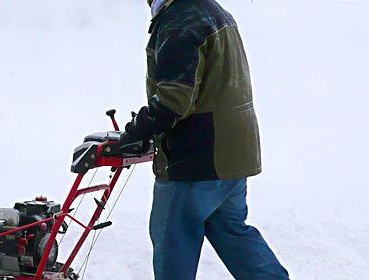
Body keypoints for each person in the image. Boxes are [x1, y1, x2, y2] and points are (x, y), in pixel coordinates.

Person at [117, 0, 290, 279]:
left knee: (173, 242)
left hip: (197, 160)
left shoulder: (181, 20)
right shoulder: (212, 11)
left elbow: (175, 99)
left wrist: (137, 130)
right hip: (232, 156)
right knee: (234, 234)